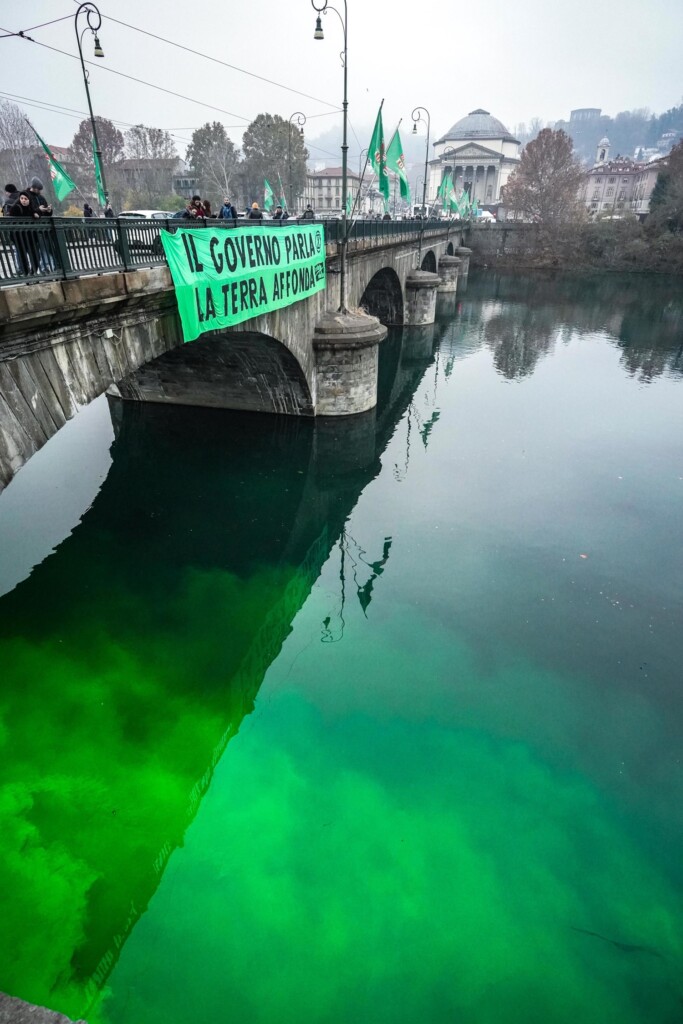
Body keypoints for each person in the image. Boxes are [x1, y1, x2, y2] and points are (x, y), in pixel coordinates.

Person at [24, 178, 56, 272]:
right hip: (31, 229)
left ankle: (45, 267)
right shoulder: (25, 196)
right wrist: (38, 210)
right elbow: (26, 211)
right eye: (36, 188)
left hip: (42, 228)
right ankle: (33, 270)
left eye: (39, 189)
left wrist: (49, 210)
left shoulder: (41, 198)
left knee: (44, 249)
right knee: (33, 252)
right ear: (32, 187)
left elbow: (46, 213)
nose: (37, 190)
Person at [8, 191, 40, 274]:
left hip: (30, 237)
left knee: (35, 256)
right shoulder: (16, 207)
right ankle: (26, 274)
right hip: (19, 238)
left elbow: (35, 212)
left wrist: (36, 213)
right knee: (23, 258)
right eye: (21, 198)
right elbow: (11, 217)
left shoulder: (31, 208)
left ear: (29, 200)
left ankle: (33, 273)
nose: (23, 200)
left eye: (25, 199)